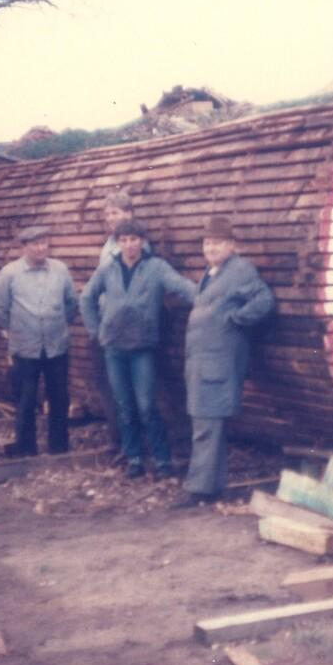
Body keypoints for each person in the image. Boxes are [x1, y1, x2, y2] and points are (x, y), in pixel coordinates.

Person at [80, 218, 195, 479]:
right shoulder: (108, 269)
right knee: (124, 404)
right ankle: (134, 458)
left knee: (146, 404)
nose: (129, 245)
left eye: (134, 240)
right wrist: (95, 331)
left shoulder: (156, 268)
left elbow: (181, 286)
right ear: (118, 243)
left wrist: (208, 299)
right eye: (124, 240)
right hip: (113, 348)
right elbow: (86, 298)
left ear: (142, 242)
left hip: (142, 347)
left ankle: (162, 460)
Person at [180, 216, 274, 506]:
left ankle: (199, 490)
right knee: (207, 427)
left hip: (217, 365)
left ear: (232, 245)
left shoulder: (240, 270)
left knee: (207, 427)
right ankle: (210, 488)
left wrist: (234, 319)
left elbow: (263, 300)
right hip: (202, 364)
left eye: (217, 243)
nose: (211, 248)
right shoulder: (212, 272)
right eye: (207, 244)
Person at [0, 224, 79, 457]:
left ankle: (59, 447)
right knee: (25, 400)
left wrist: (58, 323)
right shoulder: (9, 273)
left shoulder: (60, 270)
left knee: (59, 397)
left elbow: (72, 303)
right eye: (35, 244)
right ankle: (27, 449)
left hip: (56, 346)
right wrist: (17, 329)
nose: (41, 248)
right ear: (24, 247)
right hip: (24, 349)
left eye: (44, 243)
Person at [90, 190, 149, 454]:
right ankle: (119, 441)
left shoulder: (136, 247)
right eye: (107, 214)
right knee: (108, 386)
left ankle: (129, 445)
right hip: (106, 324)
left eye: (115, 212)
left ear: (129, 213)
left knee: (128, 391)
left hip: (124, 330)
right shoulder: (109, 244)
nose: (110, 219)